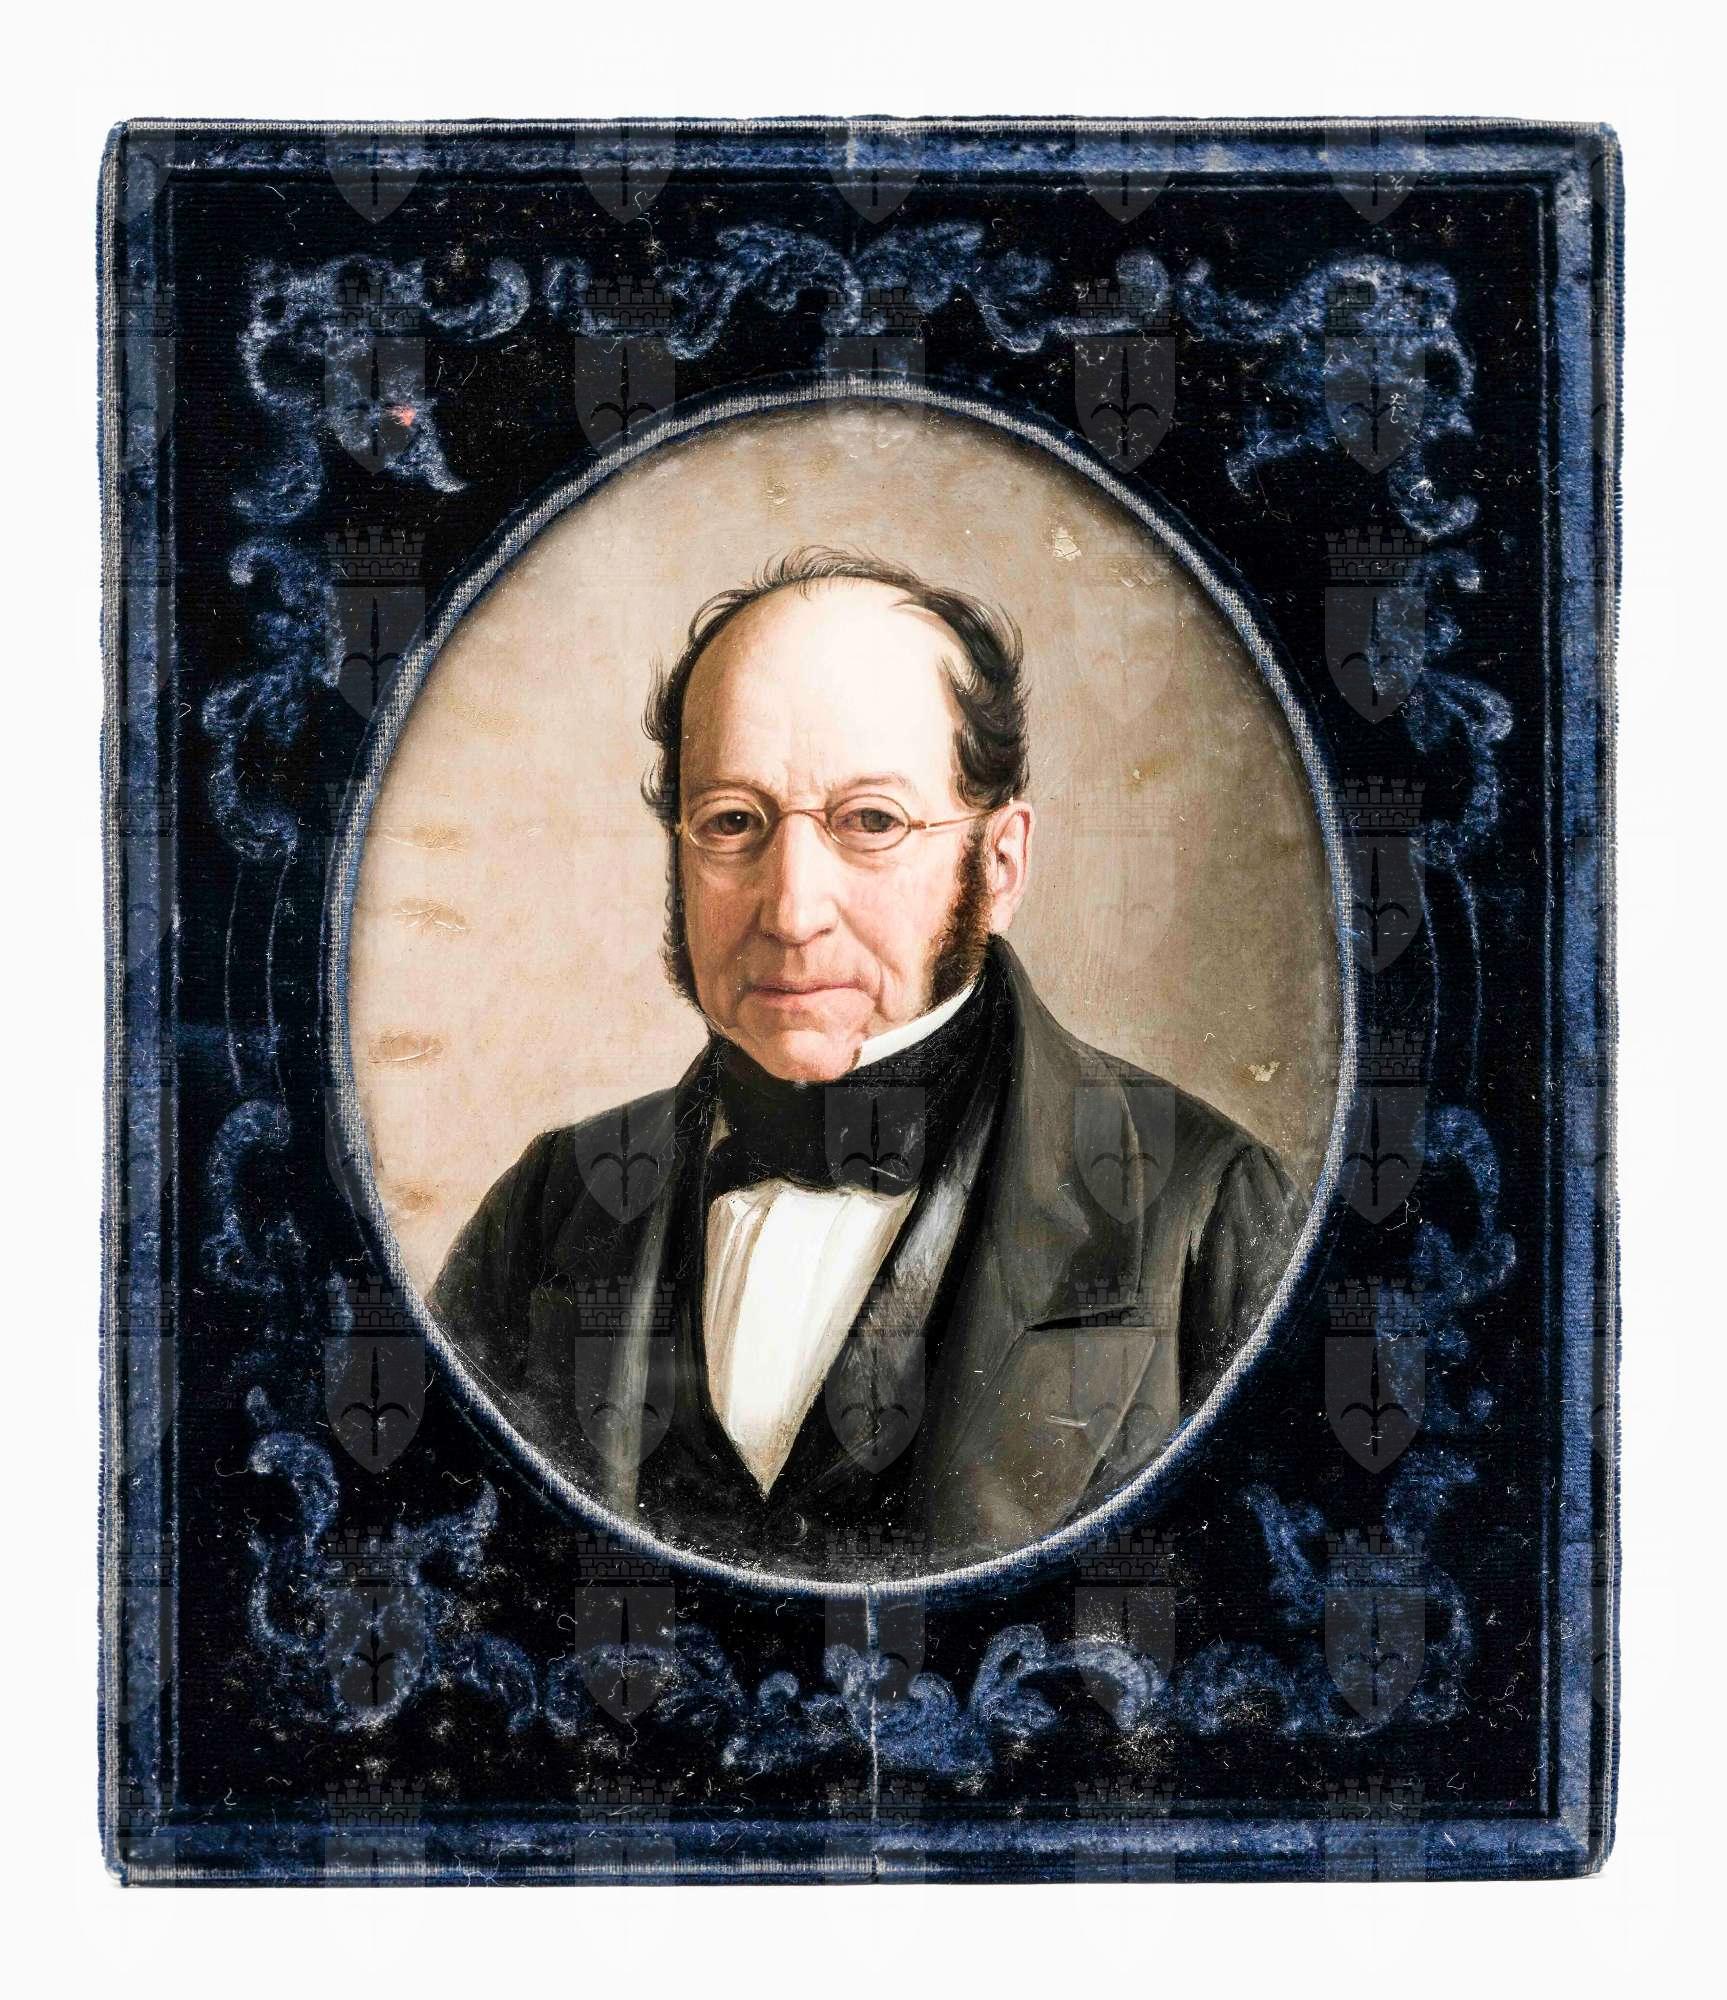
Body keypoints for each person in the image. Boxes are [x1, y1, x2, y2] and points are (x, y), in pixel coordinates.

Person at [430, 547, 1303, 1575]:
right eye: (731, 822)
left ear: (1000, 861)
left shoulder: (1208, 1210)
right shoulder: (549, 1205)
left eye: (871, 822)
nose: (791, 910)